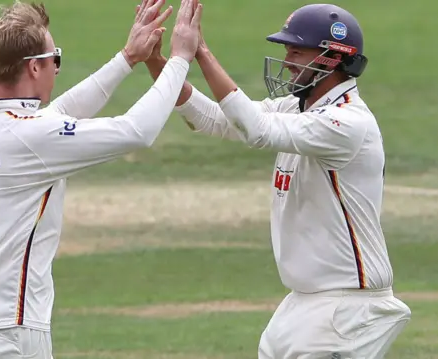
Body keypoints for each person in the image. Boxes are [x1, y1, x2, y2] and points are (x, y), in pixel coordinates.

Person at [0, 0, 203, 358]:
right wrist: (179, 60)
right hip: (5, 327)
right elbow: (136, 131)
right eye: (54, 59)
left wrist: (127, 58)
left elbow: (56, 115)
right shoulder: (27, 136)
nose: (57, 70)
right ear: (34, 67)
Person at [143, 3, 411, 359]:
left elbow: (257, 130)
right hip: (302, 304)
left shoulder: (348, 123)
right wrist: (157, 63)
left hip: (346, 307)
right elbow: (215, 120)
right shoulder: (297, 108)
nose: (286, 60)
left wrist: (201, 53)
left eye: (296, 51)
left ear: (332, 58)